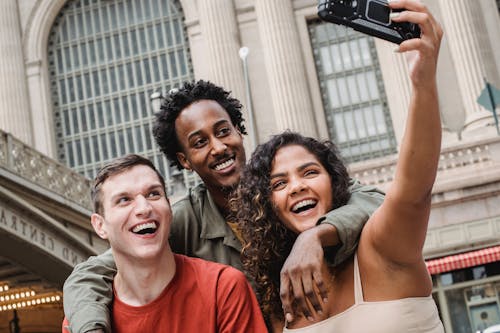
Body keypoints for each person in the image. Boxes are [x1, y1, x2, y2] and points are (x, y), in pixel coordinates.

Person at [63, 80, 384, 333]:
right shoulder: (182, 220)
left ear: (239, 131)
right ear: (184, 160)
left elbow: (375, 201)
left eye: (223, 131)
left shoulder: (285, 185)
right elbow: (89, 274)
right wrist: (91, 327)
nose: (218, 147)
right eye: (200, 142)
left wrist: (313, 237)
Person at [232, 1, 445, 331]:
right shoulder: (282, 298)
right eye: (278, 183)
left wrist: (424, 83)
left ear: (336, 184)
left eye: (310, 172)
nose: (297, 186)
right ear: (267, 207)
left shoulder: (381, 249)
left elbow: (414, 191)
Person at [62, 154, 267, 332]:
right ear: (100, 225)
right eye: (124, 200)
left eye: (153, 194)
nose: (144, 208)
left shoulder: (223, 288)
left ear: (169, 209)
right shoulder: (83, 320)